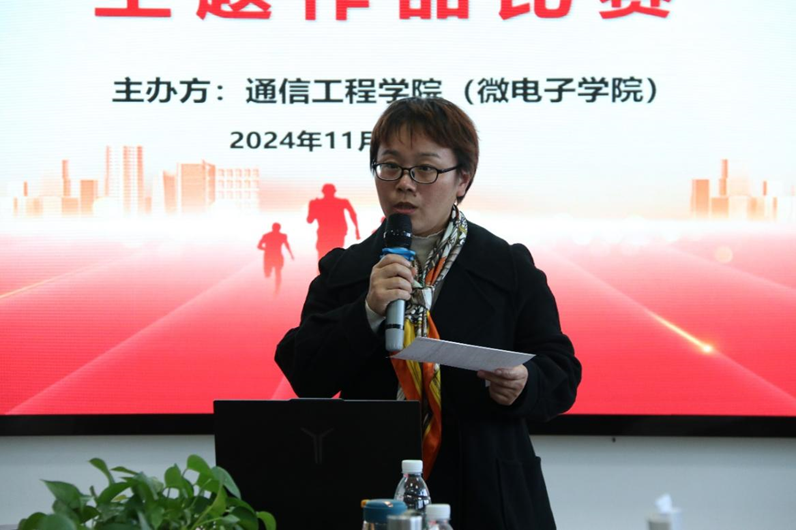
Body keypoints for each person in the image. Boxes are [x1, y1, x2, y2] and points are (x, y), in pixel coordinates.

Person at [275, 97, 580, 529]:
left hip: (485, 492)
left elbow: (562, 372)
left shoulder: (507, 267)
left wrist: (526, 382)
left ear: (462, 179)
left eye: (425, 169)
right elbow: (306, 374)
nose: (405, 183)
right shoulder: (346, 270)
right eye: (390, 166)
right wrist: (367, 310)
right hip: (370, 489)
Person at [307, 183, 361, 261]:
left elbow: (309, 220)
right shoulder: (342, 202)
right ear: (334, 191)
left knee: (327, 256)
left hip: (333, 233)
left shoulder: (317, 203)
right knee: (333, 255)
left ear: (323, 192)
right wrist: (356, 229)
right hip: (331, 233)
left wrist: (357, 229)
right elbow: (353, 214)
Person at [257, 222, 294, 294]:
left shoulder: (270, 236)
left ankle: (277, 289)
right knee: (272, 274)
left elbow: (287, 245)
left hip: (273, 256)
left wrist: (291, 254)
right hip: (272, 256)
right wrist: (291, 254)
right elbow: (259, 246)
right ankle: (275, 288)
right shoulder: (272, 236)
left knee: (277, 272)